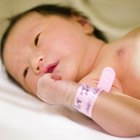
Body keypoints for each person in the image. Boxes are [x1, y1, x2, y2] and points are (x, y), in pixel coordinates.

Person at [0, 4, 140, 137]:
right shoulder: (94, 88)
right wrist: (71, 95)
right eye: (25, 72)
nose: (34, 62)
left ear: (82, 23)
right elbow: (135, 119)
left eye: (37, 40)